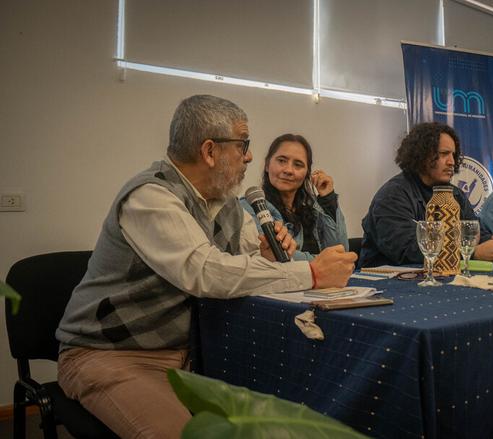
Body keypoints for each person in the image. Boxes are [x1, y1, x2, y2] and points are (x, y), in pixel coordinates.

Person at [55, 95, 356, 438]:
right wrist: (312, 273)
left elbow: (243, 260)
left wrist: (267, 257)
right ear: (210, 151)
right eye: (243, 144)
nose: (249, 156)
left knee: (282, 414)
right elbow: (205, 272)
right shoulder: (150, 197)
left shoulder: (227, 202)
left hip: (193, 351)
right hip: (113, 355)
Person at [359, 122, 493, 268]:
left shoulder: (454, 194)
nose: (452, 162)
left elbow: (475, 233)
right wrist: (473, 253)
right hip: (388, 283)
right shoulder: (392, 195)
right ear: (421, 155)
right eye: (444, 154)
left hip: (438, 276)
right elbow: (407, 249)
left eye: (453, 155)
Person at [241, 134, 348, 261]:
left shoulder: (312, 209)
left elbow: (342, 252)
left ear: (307, 173)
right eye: (281, 161)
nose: (289, 170)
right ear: (267, 165)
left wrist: (328, 199)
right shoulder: (250, 207)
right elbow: (278, 255)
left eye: (298, 164)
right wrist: (325, 262)